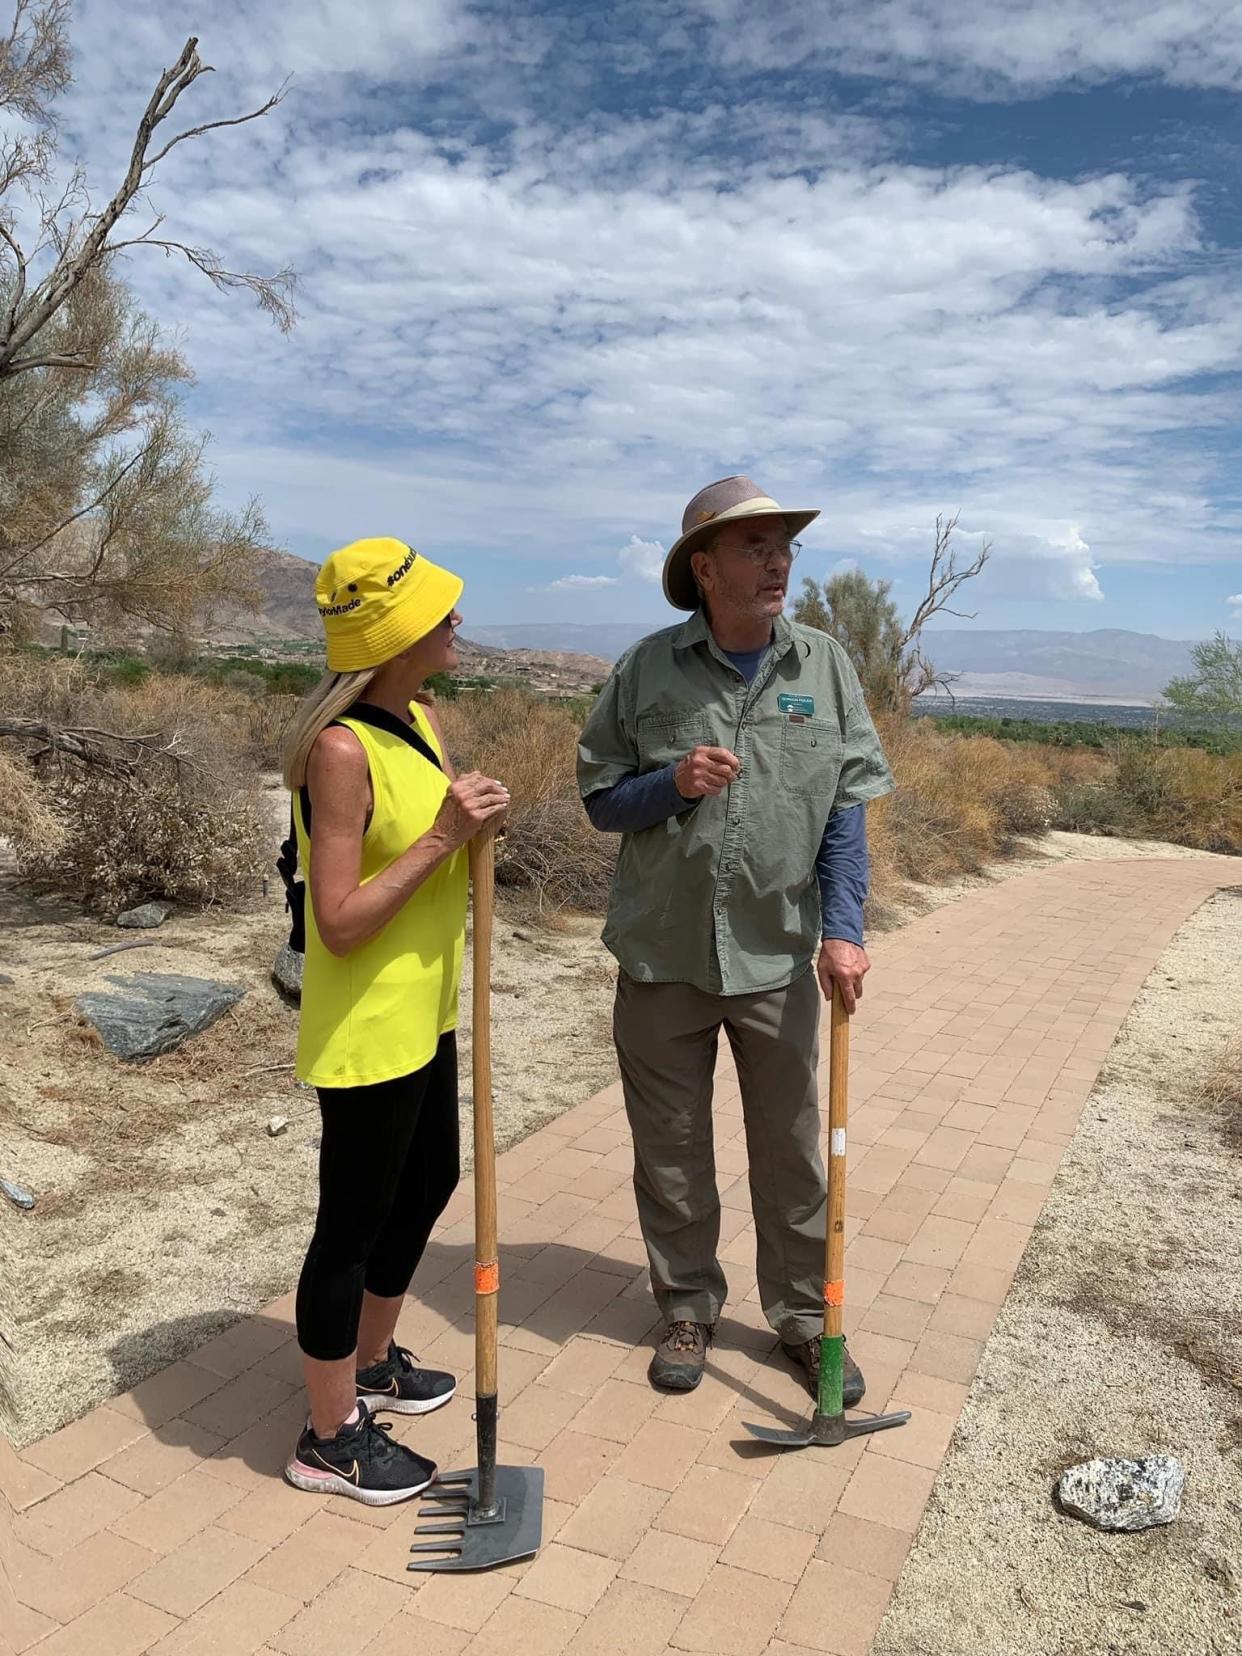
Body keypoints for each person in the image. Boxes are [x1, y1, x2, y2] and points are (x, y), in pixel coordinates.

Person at [577, 475, 895, 1399]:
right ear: (703, 568)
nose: (777, 561)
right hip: (662, 955)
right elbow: (602, 801)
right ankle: (686, 1307)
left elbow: (845, 811)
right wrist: (670, 784)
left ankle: (802, 1318)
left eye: (782, 545)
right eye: (754, 547)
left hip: (776, 957)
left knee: (794, 1152)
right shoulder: (645, 669)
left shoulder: (824, 666)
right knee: (670, 1149)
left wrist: (843, 931)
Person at [280, 536, 508, 1505]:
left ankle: (372, 1366)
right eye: (442, 611)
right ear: (402, 630)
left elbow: (432, 844)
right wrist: (448, 835)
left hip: (427, 1008)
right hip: (367, 1024)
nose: (458, 622)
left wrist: (472, 826)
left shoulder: (420, 716)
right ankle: (328, 1438)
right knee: (352, 1225)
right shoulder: (340, 749)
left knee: (430, 1183)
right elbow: (337, 923)